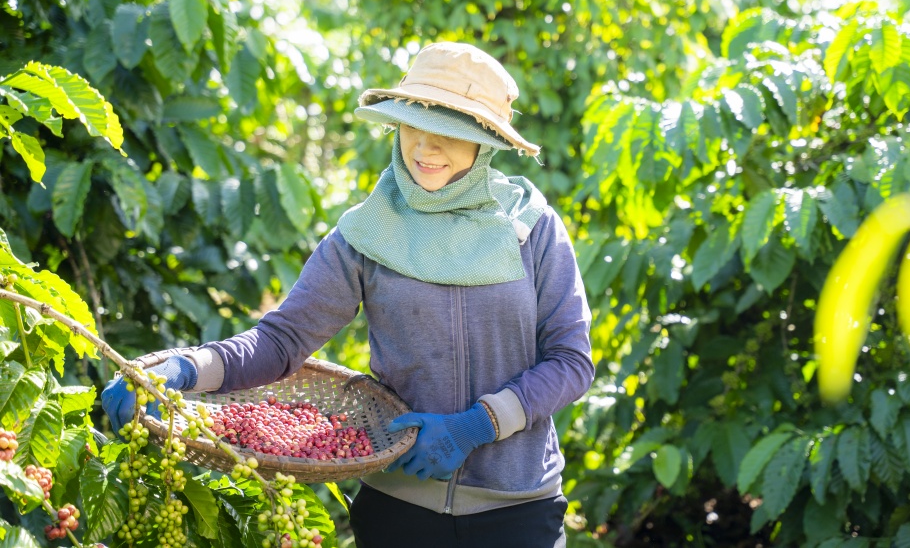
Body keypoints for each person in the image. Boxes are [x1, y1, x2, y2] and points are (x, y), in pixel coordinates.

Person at [102, 41, 595, 548]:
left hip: (517, 512)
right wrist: (185, 369)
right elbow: (281, 341)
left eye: (448, 133)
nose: (424, 149)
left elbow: (571, 360)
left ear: (484, 141)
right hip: (398, 510)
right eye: (413, 126)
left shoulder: (530, 229)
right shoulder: (367, 234)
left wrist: (475, 426)